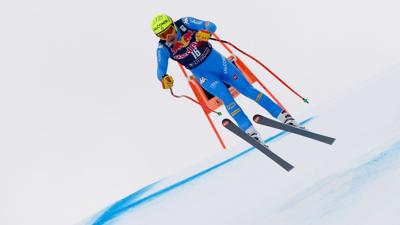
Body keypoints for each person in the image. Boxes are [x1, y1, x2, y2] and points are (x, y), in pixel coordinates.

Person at [151, 13, 300, 143]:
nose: (168, 36)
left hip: (219, 64)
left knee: (249, 90)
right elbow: (160, 69)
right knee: (226, 98)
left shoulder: (185, 22)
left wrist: (205, 31)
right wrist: (164, 79)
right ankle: (251, 132)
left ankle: (284, 116)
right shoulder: (163, 48)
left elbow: (210, 25)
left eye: (169, 30)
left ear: (173, 24)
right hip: (204, 76)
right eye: (162, 35)